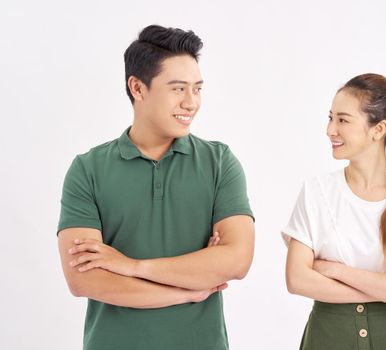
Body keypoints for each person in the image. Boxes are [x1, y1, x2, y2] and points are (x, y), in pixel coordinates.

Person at [57, 25, 255, 350]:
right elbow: (83, 279)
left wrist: (132, 266)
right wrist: (188, 289)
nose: (191, 103)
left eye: (198, 89)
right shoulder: (88, 169)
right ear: (137, 87)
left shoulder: (219, 163)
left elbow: (235, 261)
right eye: (178, 89)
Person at [282, 73, 386, 349]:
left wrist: (334, 270)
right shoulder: (316, 192)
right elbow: (297, 279)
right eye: (330, 118)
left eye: (343, 120)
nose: (330, 130)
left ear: (378, 129)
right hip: (328, 339)